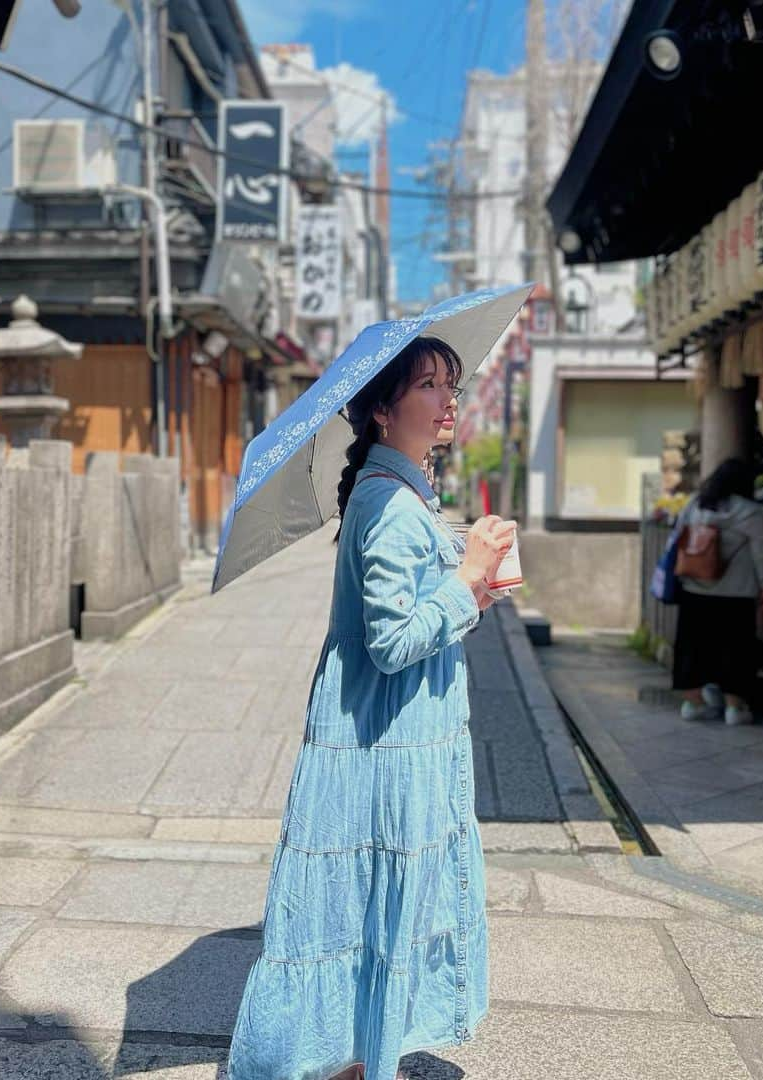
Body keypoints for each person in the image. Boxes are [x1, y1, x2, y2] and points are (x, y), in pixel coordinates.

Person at [226, 337, 515, 1080]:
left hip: (394, 734)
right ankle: (340, 1060)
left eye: (451, 383)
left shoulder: (400, 490)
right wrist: (467, 582)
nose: (449, 399)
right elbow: (391, 641)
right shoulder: (388, 501)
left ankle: (351, 1057)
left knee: (367, 905)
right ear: (383, 410)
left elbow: (411, 610)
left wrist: (473, 583)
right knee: (374, 901)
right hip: (383, 739)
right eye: (428, 385)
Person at [672, 458, 763, 726]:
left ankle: (693, 704)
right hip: (737, 592)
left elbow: (677, 537)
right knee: (737, 648)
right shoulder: (753, 512)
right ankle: (735, 708)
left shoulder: (696, 504)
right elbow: (761, 555)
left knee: (693, 646)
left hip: (694, 587)